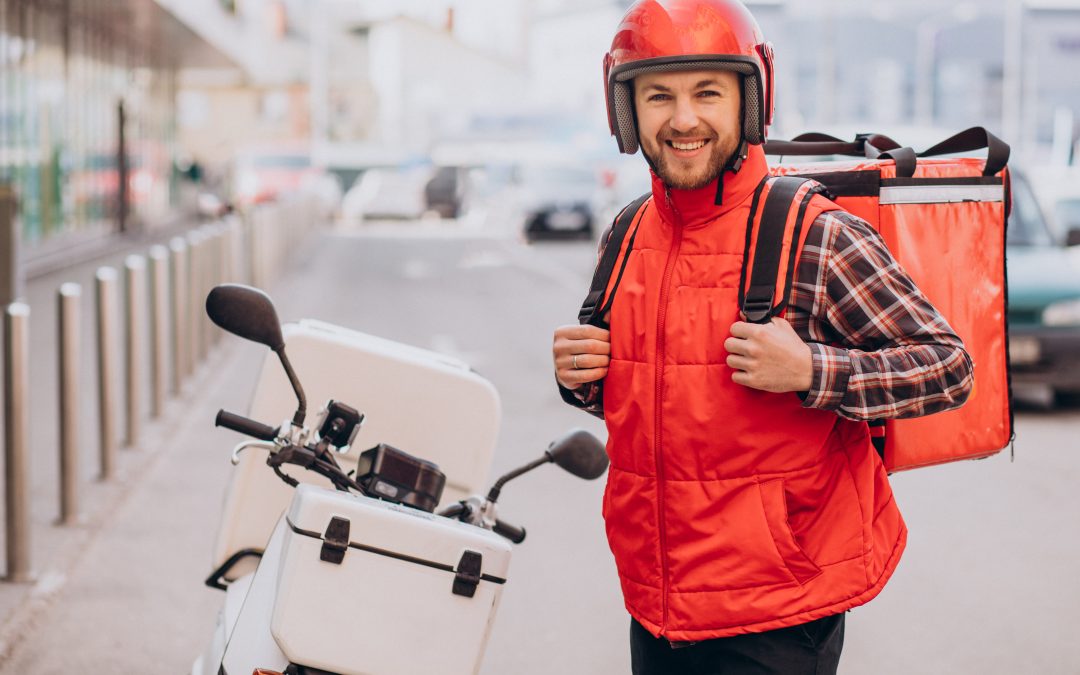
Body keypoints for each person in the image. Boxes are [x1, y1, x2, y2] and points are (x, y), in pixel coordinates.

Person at [550, 1, 974, 673]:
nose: (682, 119)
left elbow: (949, 367)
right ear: (625, 110)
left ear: (751, 100)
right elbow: (658, 403)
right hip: (656, 605)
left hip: (778, 613)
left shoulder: (816, 234)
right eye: (658, 96)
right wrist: (582, 379)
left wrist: (811, 370)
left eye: (707, 93)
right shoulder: (626, 234)